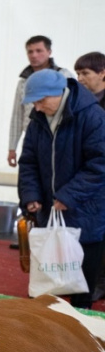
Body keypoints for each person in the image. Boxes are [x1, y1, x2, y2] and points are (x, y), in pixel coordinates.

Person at [17, 69, 105, 309]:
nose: (37, 107)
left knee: (81, 289)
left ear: (59, 94)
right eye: (34, 102)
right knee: (47, 287)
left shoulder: (92, 117)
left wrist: (68, 196)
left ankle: (80, 336)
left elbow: (99, 164)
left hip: (87, 215)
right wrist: (31, 196)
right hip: (50, 212)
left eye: (41, 100)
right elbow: (28, 162)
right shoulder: (37, 121)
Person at [7, 36, 74, 167]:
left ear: (49, 52)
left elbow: (73, 109)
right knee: (29, 177)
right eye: (30, 51)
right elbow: (17, 116)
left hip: (58, 138)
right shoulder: (23, 82)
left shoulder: (64, 76)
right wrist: (12, 148)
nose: (34, 55)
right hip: (31, 139)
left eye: (39, 50)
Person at [74, 51, 105, 302]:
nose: (81, 79)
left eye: (86, 73)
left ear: (103, 74)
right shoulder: (78, 105)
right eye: (78, 74)